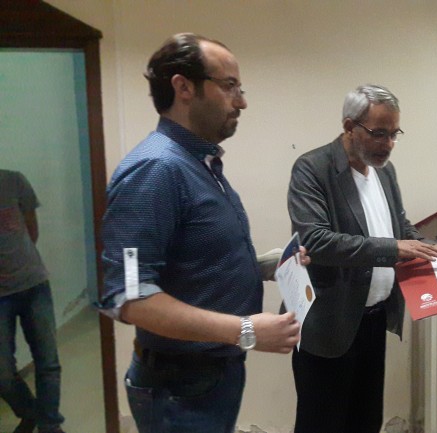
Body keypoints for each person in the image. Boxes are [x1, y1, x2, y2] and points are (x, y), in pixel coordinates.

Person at [98, 33, 304, 433]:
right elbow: (130, 297)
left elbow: (193, 257)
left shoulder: (198, 162)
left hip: (210, 377)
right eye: (229, 86)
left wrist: (263, 266)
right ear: (184, 87)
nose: (241, 102)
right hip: (179, 389)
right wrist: (245, 330)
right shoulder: (156, 169)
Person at [287, 84, 437, 433]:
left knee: (365, 422)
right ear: (349, 126)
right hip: (329, 324)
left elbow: (400, 228)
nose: (389, 144)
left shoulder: (384, 171)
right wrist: (395, 249)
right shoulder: (312, 168)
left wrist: (434, 249)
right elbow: (316, 241)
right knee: (322, 424)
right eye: (379, 133)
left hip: (375, 320)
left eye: (394, 134)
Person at [0, 170, 65, 433]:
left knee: (47, 362)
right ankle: (30, 413)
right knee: (2, 372)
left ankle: (49, 424)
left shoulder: (13, 181)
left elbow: (31, 231)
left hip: (33, 285)